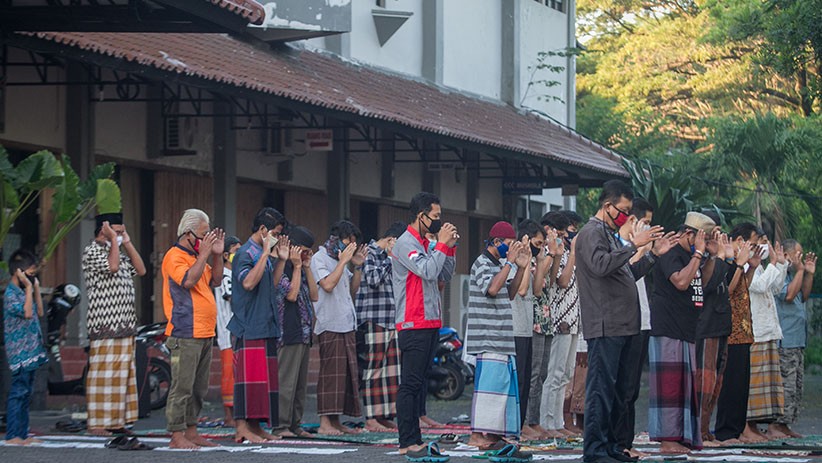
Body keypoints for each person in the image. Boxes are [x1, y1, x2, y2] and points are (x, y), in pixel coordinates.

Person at [574, 179, 676, 463]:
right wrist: (632, 244)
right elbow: (601, 265)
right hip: (605, 323)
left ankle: (609, 447)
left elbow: (627, 274)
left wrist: (652, 255)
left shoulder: (607, 233)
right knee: (601, 390)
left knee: (616, 392)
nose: (626, 217)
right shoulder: (591, 233)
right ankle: (594, 451)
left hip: (621, 323)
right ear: (607, 206)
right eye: (623, 210)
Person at [392, 192, 457, 459]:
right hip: (412, 322)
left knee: (419, 385)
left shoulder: (426, 243)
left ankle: (414, 439)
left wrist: (449, 247)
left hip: (430, 321)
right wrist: (440, 245)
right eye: (435, 217)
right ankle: (406, 440)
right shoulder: (404, 243)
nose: (438, 223)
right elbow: (427, 271)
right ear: (421, 216)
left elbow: (444, 273)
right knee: (409, 383)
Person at [647, 212, 716, 454]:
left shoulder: (690, 255)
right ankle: (667, 439)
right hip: (668, 327)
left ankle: (681, 436)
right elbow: (680, 282)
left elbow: (701, 282)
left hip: (686, 328)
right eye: (702, 240)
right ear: (689, 234)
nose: (704, 245)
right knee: (669, 386)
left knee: (684, 387)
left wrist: (712, 256)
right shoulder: (671, 252)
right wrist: (698, 253)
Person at [162, 208, 225, 449]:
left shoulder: (196, 257)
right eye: (203, 235)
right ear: (188, 234)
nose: (206, 239)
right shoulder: (174, 256)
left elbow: (215, 281)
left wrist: (216, 255)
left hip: (205, 331)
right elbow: (188, 281)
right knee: (182, 387)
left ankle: (191, 430)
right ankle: (176, 435)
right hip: (185, 331)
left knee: (199, 388)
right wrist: (205, 254)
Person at [465, 222, 530, 450]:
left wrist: (520, 267)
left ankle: (492, 434)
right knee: (487, 389)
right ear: (496, 242)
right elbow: (492, 290)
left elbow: (509, 293)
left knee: (500, 391)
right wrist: (511, 263)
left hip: (502, 336)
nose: (511, 249)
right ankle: (476, 435)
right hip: (487, 336)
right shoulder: (481, 263)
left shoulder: (502, 264)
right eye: (509, 245)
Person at [82, 212, 147, 436]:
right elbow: (112, 267)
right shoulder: (92, 251)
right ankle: (98, 423)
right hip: (105, 326)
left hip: (125, 325)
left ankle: (117, 422)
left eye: (121, 232)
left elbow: (141, 270)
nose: (119, 236)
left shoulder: (117, 250)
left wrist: (126, 242)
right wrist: (113, 241)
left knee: (122, 378)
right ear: (104, 230)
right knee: (103, 377)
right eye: (116, 232)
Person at [229, 206, 289, 443]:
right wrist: (266, 254)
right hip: (249, 324)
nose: (275, 237)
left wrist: (281, 261)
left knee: (262, 383)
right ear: (263, 230)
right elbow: (248, 284)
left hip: (266, 323)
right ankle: (241, 427)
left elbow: (272, 285)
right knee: (248, 381)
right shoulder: (245, 253)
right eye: (274, 232)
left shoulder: (260, 252)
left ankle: (256, 426)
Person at [312, 220, 368, 435]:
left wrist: (358, 266)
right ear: (335, 239)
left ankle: (336, 421)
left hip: (346, 324)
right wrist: (343, 262)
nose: (350, 248)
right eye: (348, 242)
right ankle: (325, 422)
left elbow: (352, 289)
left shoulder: (339, 260)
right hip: (329, 324)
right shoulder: (320, 258)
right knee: (330, 375)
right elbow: (327, 285)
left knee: (345, 376)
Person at [612, 198, 655, 456]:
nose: (649, 227)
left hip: (643, 319)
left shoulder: (636, 246)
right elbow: (627, 272)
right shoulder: (619, 245)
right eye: (646, 222)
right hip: (625, 322)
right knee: (623, 388)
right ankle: (619, 444)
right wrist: (642, 248)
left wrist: (651, 252)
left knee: (633, 389)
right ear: (633, 221)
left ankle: (626, 443)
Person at [355, 221, 407, 432]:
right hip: (373, 319)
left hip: (391, 319)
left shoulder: (389, 256)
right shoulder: (371, 252)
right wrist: (392, 257)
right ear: (392, 240)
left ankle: (384, 415)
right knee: (373, 370)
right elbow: (374, 279)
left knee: (391, 372)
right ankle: (371, 417)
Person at [713, 223, 762, 444]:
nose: (753, 247)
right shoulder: (729, 257)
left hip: (743, 331)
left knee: (741, 384)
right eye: (752, 243)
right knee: (730, 384)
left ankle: (738, 428)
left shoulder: (741, 261)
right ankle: (725, 431)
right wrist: (740, 264)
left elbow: (743, 286)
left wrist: (751, 267)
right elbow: (728, 290)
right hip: (729, 330)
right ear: (741, 240)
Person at [274, 225, 319, 438]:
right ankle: (281, 425)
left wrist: (307, 267)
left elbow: (314, 294)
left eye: (307, 251)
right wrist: (298, 267)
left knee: (300, 385)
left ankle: (295, 423)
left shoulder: (300, 266)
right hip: (287, 330)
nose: (304, 254)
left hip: (304, 331)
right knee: (286, 382)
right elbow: (290, 295)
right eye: (302, 249)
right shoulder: (281, 267)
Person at [541, 212, 582, 439]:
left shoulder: (568, 253)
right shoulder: (556, 254)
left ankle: (557, 421)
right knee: (554, 375)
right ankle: (548, 422)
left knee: (565, 375)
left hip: (573, 320)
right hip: (559, 320)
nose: (570, 234)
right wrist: (573, 252)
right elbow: (562, 280)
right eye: (567, 230)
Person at [695, 222, 736, 447]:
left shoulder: (716, 256)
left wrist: (730, 261)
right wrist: (718, 257)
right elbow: (707, 285)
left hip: (721, 324)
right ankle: (699, 431)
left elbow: (725, 282)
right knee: (704, 381)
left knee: (716, 382)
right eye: (715, 234)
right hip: (705, 325)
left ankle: (706, 429)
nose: (719, 238)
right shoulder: (699, 256)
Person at [512, 219, 553, 441]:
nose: (541, 247)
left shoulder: (538, 259)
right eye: (538, 242)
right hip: (524, 323)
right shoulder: (520, 259)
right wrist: (531, 260)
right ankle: (523, 422)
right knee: (527, 376)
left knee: (535, 376)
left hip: (536, 322)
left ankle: (529, 421)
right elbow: (528, 289)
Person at [521, 215, 561, 440]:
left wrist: (555, 257)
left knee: (543, 373)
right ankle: (527, 420)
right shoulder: (529, 260)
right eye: (538, 244)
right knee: (533, 374)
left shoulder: (543, 258)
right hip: (533, 320)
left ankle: (534, 420)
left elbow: (552, 280)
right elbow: (536, 289)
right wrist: (545, 259)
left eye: (542, 243)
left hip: (546, 319)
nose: (541, 247)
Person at [746, 237, 789, 441]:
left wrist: (780, 263)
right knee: (754, 385)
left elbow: (776, 288)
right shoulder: (747, 265)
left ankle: (758, 426)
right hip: (755, 332)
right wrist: (773, 264)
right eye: (760, 241)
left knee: (767, 384)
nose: (764, 245)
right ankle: (748, 426)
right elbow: (760, 286)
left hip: (768, 331)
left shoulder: (762, 267)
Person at [3, 250, 47, 445]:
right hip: (19, 351)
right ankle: (13, 435)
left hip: (31, 349)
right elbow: (28, 313)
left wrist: (34, 287)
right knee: (18, 391)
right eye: (29, 273)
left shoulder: (23, 291)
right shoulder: (11, 294)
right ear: (18, 273)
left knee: (26, 392)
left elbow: (39, 311)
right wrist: (28, 287)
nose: (32, 276)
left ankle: (22, 434)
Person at [774, 241, 816, 438]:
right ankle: (776, 425)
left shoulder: (795, 274)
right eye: (797, 255)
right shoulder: (779, 273)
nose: (799, 259)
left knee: (797, 385)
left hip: (798, 338)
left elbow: (803, 296)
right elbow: (789, 295)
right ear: (787, 255)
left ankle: (787, 424)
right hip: (785, 339)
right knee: (786, 385)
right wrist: (800, 271)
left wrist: (808, 273)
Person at [215, 235, 242, 428]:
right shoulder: (225, 275)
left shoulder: (234, 274)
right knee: (228, 373)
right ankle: (228, 416)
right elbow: (232, 298)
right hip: (227, 329)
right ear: (225, 255)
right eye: (235, 251)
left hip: (236, 330)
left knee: (235, 372)